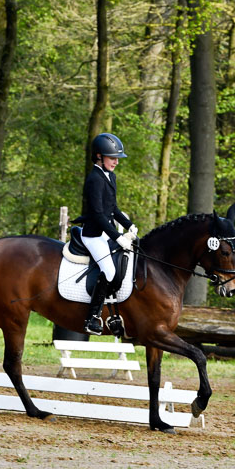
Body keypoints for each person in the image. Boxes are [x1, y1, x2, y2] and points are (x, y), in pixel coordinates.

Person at [76, 133, 138, 335]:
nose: (116, 161)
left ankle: (112, 312)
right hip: (93, 234)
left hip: (105, 232)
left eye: (117, 158)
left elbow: (113, 208)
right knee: (110, 271)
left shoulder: (110, 176)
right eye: (112, 158)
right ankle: (91, 317)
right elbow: (98, 214)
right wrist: (118, 237)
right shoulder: (94, 179)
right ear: (99, 157)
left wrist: (129, 225)